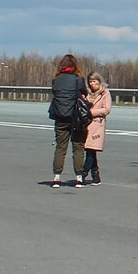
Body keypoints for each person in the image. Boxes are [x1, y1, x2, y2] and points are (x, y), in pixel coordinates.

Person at [48, 54, 89, 188]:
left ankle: (56, 177)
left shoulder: (56, 79)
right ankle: (78, 178)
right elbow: (84, 93)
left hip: (60, 117)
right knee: (78, 147)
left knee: (60, 148)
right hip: (75, 117)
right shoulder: (78, 79)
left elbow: (55, 93)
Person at [81, 72, 112, 185]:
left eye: (94, 81)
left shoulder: (105, 93)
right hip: (87, 124)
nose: (92, 83)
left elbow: (106, 109)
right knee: (90, 150)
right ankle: (95, 175)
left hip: (97, 124)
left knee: (91, 150)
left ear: (99, 81)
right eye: (90, 81)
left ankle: (83, 174)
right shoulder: (87, 93)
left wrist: (91, 113)